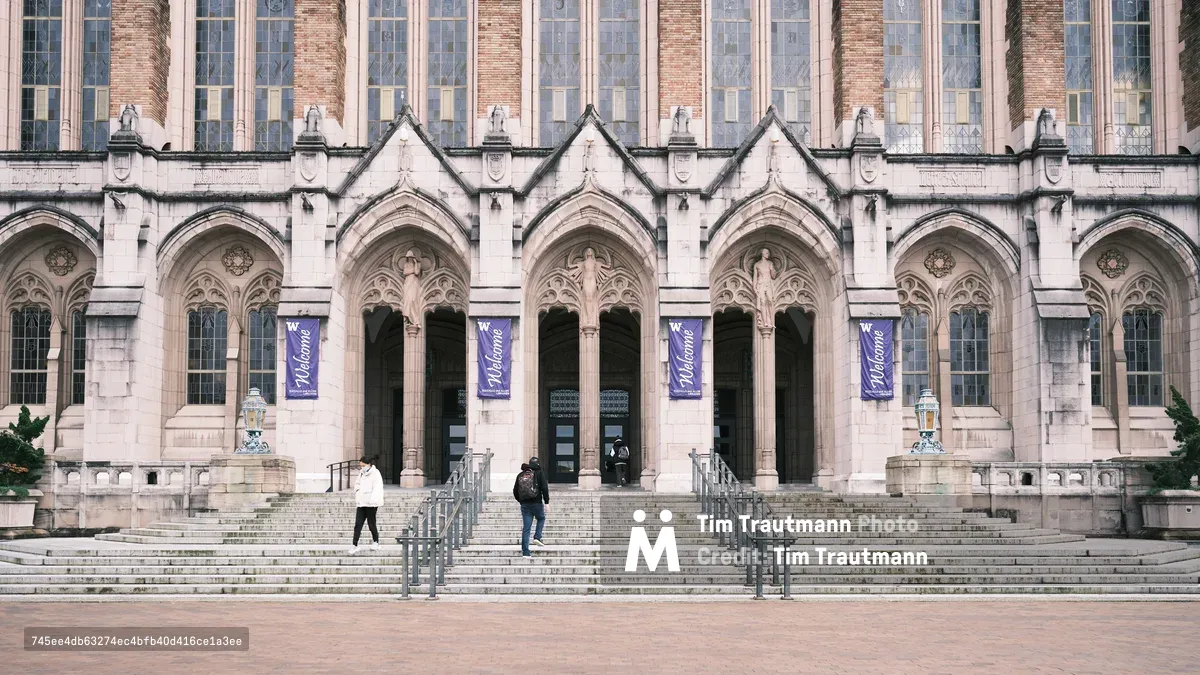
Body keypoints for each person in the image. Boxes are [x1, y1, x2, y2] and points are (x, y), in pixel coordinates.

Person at [513, 457, 549, 558]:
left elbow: (515, 490)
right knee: (541, 518)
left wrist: (521, 501)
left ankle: (526, 552)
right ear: (537, 464)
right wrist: (546, 502)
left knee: (526, 528)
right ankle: (537, 536)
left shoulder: (521, 474)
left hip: (525, 505)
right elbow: (544, 488)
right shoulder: (539, 473)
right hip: (536, 503)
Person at [347, 456, 383, 555]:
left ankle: (376, 542)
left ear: (368, 464)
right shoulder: (361, 474)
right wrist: (358, 492)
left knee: (371, 523)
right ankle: (354, 545)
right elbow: (357, 484)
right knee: (357, 524)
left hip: (371, 504)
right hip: (361, 503)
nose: (362, 467)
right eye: (361, 466)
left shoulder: (376, 473)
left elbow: (378, 488)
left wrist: (373, 500)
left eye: (363, 465)